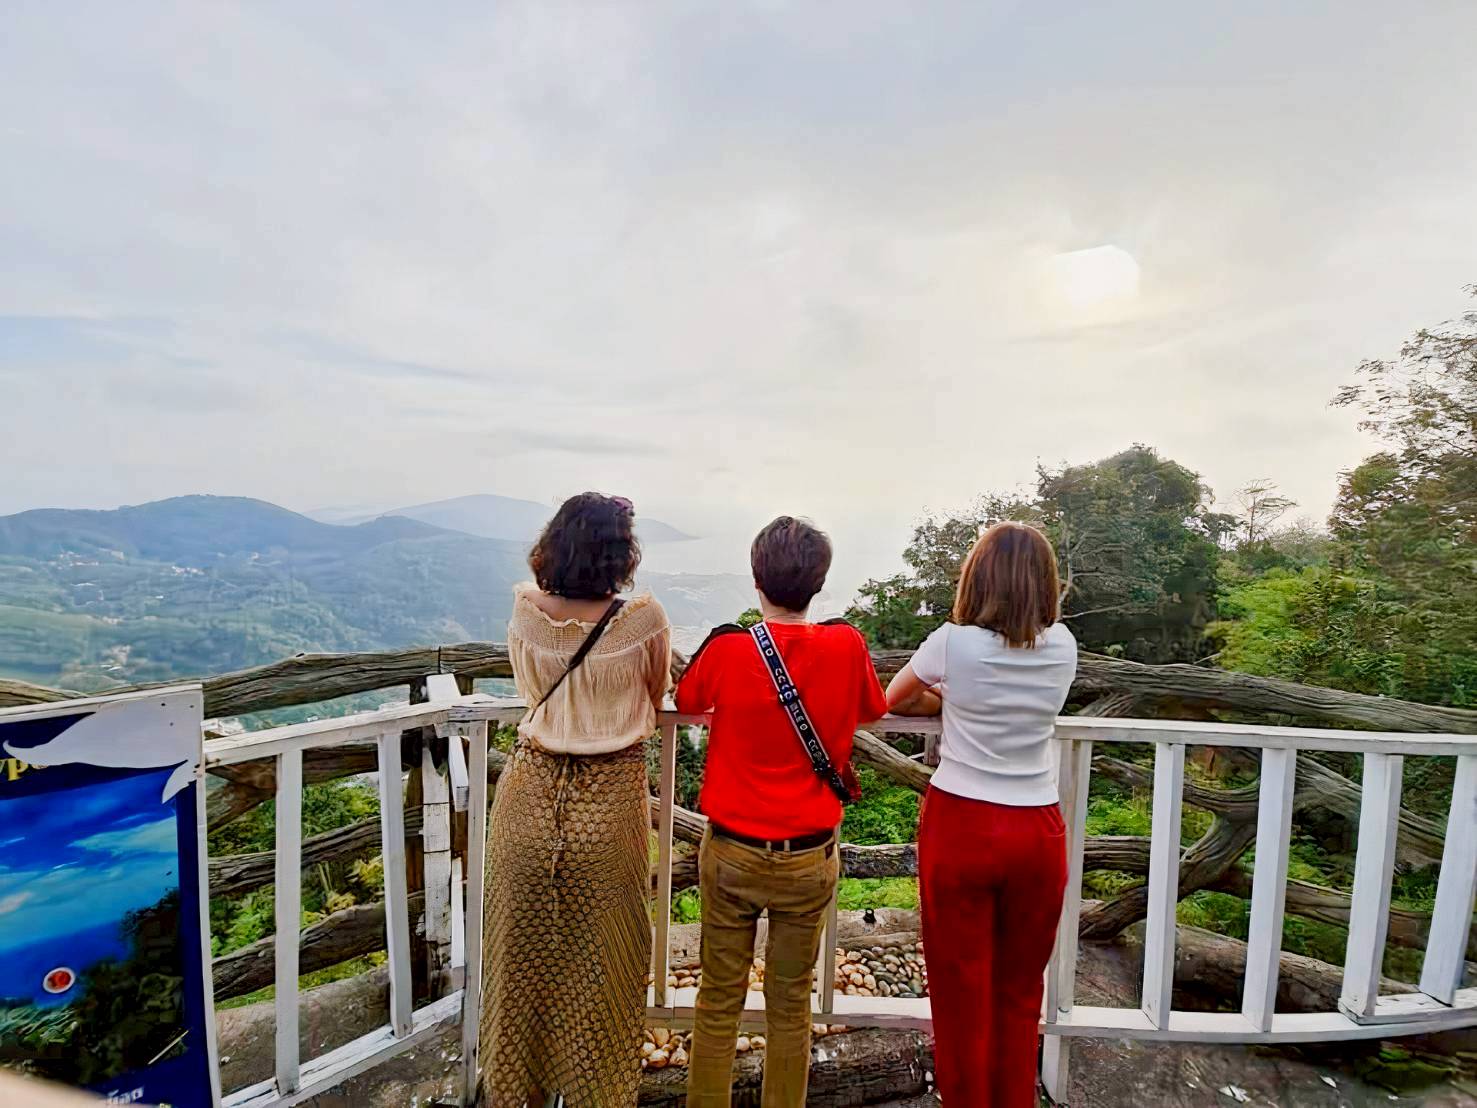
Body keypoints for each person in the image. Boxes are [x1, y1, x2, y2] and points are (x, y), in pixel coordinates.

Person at [676, 516, 888, 1108]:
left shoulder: (727, 648)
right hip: (809, 856)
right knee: (790, 1006)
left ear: (755, 578)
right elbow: (872, 709)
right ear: (819, 582)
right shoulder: (847, 645)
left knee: (718, 1000)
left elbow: (687, 698)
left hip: (732, 852)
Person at [478, 492, 672, 1107]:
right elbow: (660, 691)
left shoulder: (524, 612)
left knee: (521, 964)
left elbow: (530, 688)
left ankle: (516, 1090)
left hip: (527, 795)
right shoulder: (642, 619)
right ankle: (594, 1091)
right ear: (622, 552)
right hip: (609, 801)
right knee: (603, 967)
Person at [885, 521, 1078, 1106]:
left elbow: (894, 697)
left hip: (963, 823)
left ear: (979, 577)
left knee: (960, 992)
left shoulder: (953, 642)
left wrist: (952, 697)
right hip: (1038, 829)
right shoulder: (1064, 646)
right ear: (1044, 584)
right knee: (1021, 994)